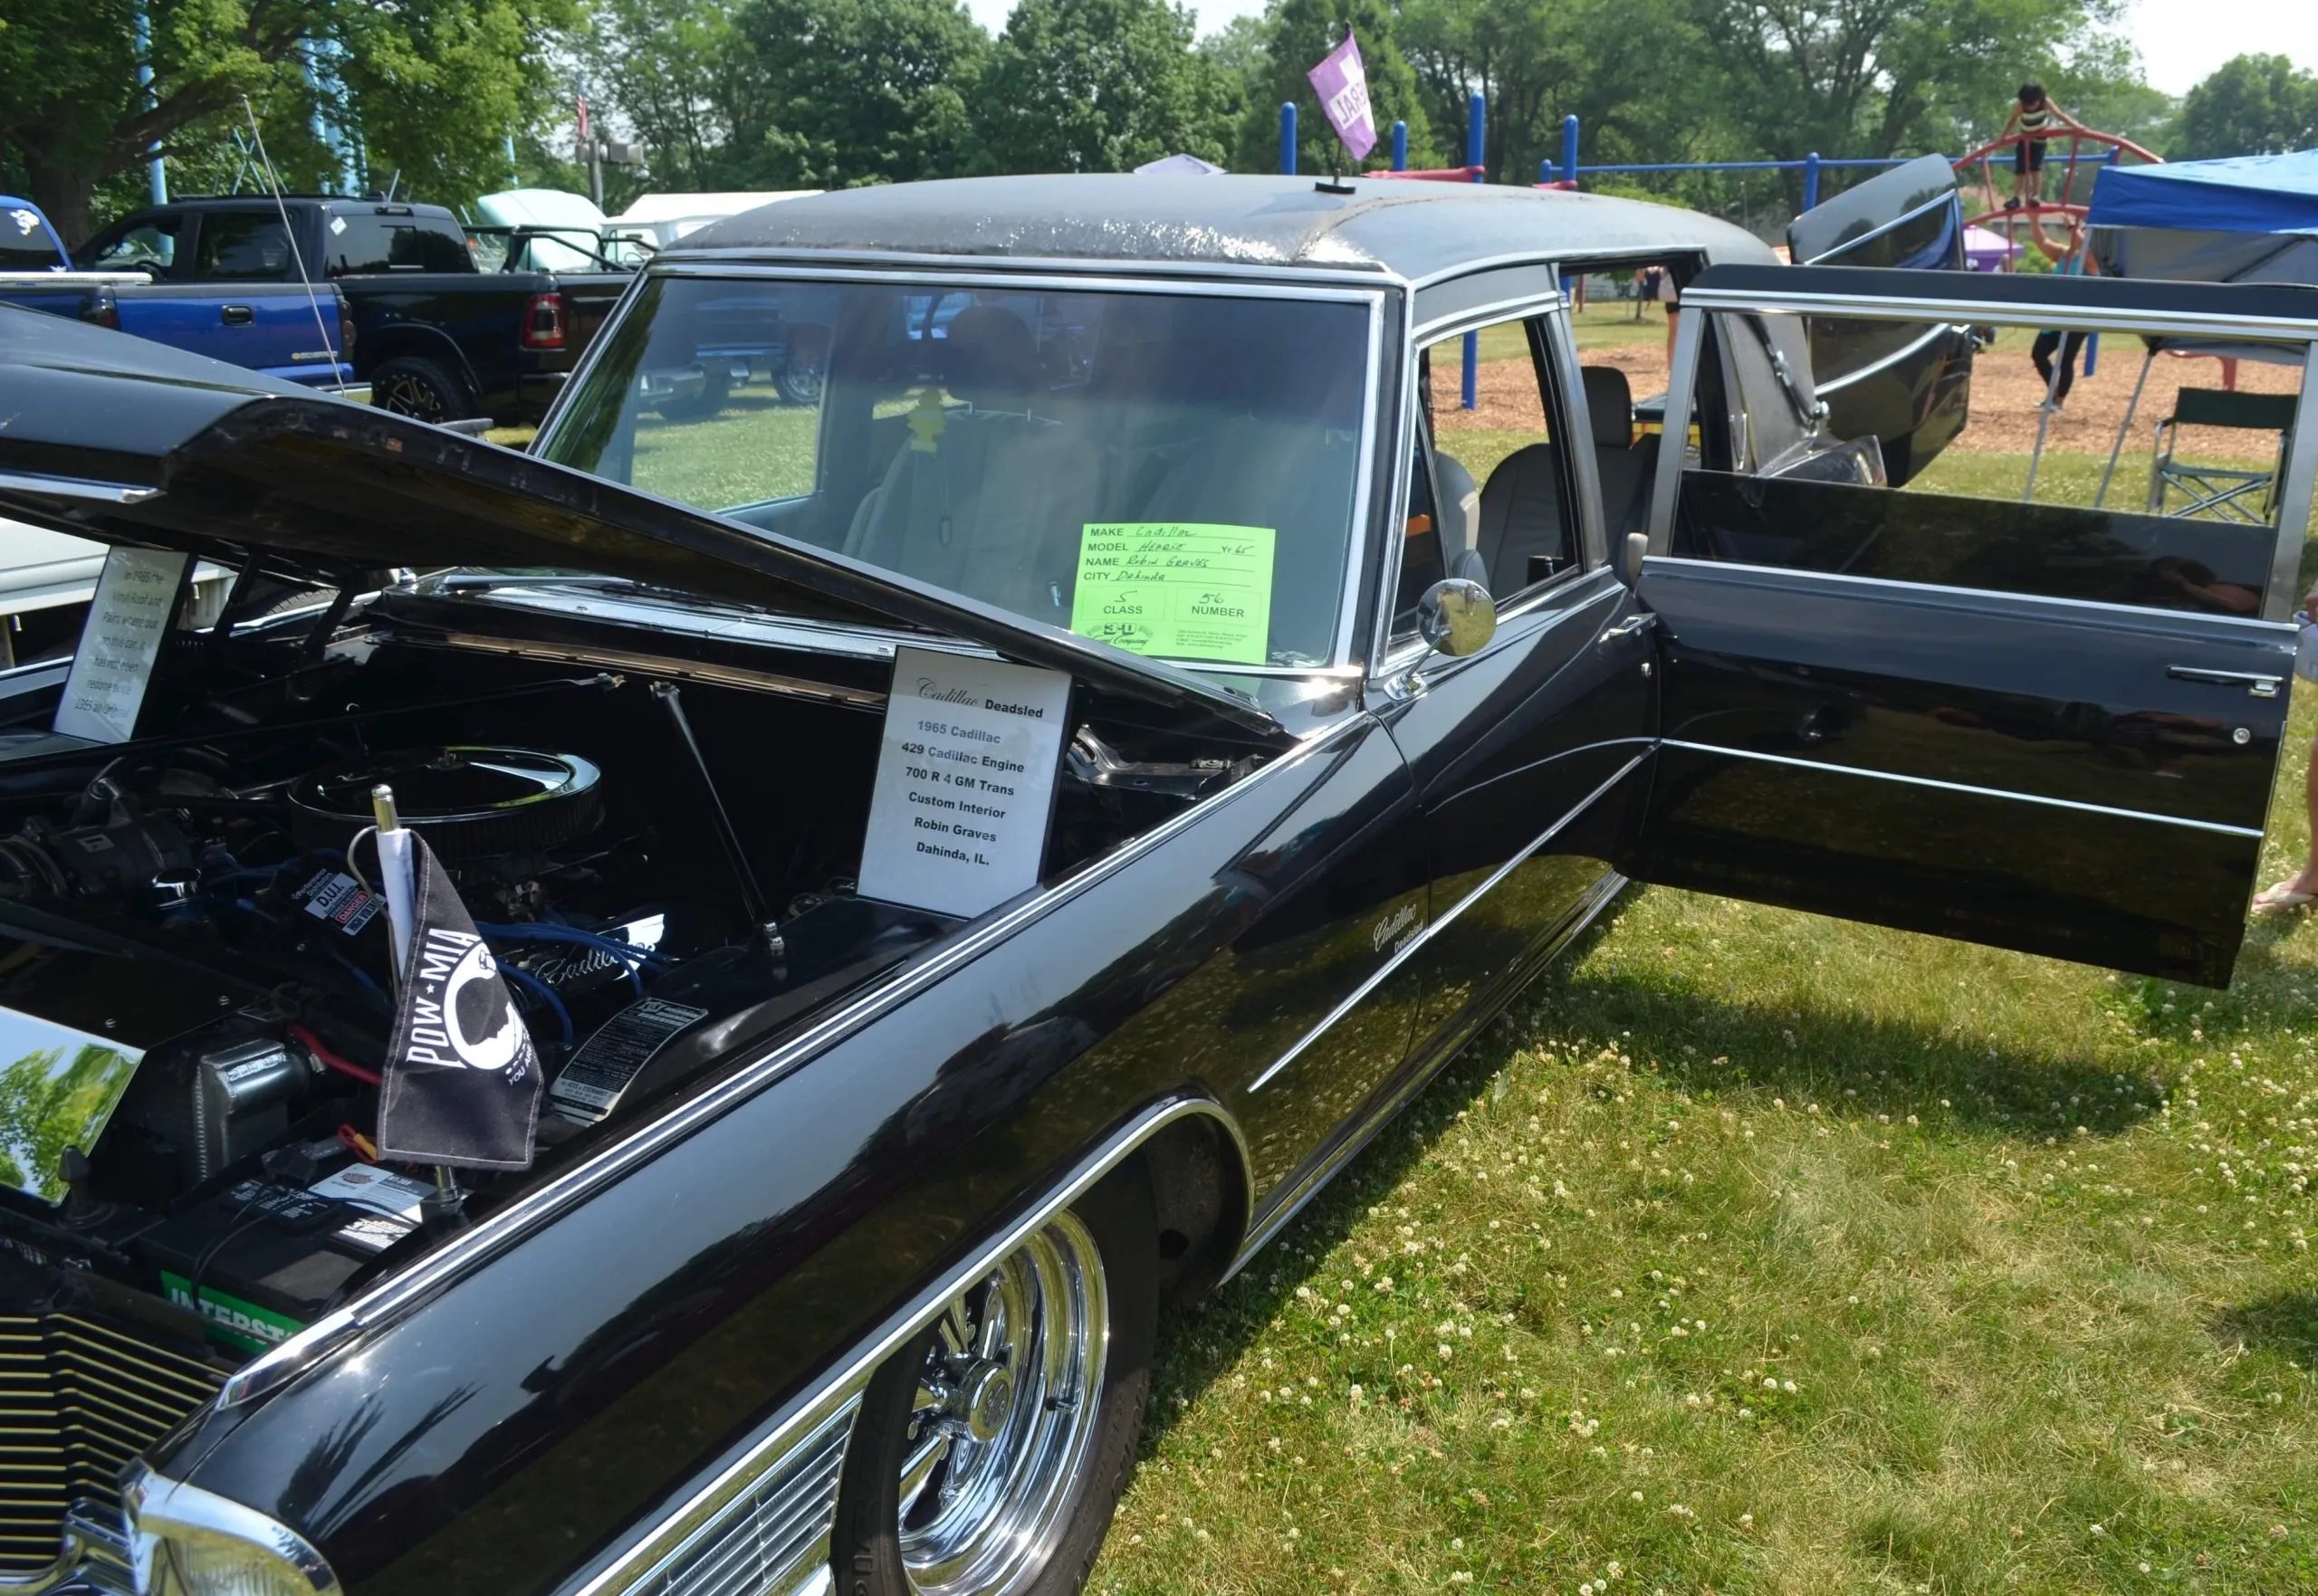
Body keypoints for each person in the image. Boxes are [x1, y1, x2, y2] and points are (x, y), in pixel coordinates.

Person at [1997, 82, 2084, 210]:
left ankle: (2035, 195)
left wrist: (2076, 126)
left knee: (2035, 167)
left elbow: (2059, 115)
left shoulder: (2045, 102)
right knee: (2020, 169)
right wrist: (2003, 136)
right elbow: (2012, 120)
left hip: (2039, 140)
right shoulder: (2021, 106)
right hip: (2024, 140)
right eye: (2027, 105)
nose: (2030, 107)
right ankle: (2016, 198)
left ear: (2039, 99)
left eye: (2033, 104)